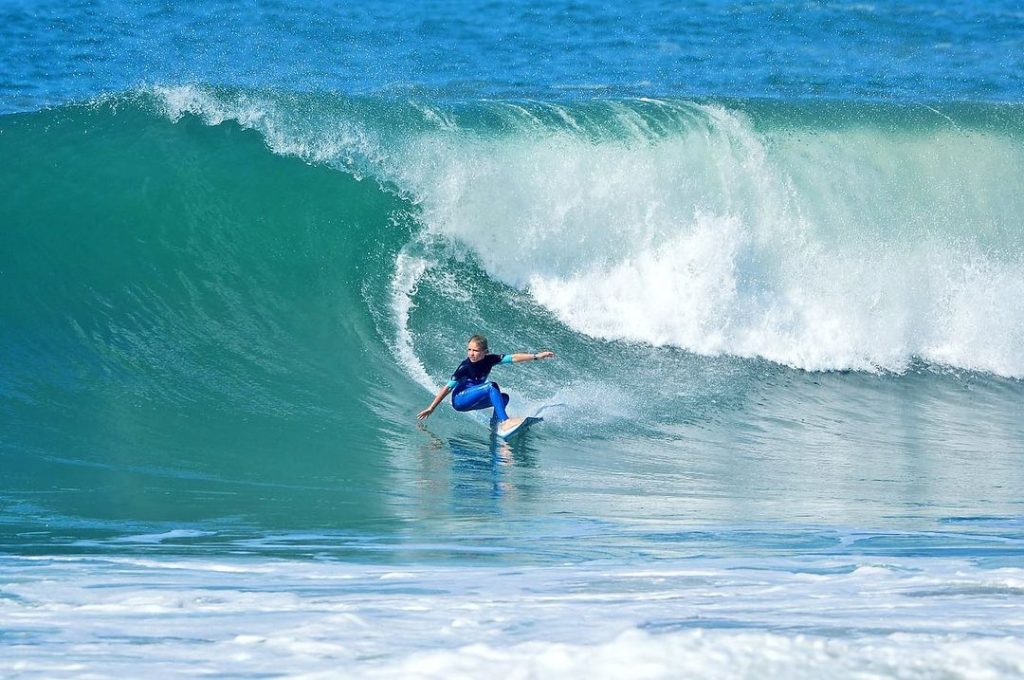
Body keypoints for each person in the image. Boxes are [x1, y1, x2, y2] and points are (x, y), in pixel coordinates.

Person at [417, 334, 555, 434]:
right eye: (469, 350)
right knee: (491, 386)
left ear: (485, 352)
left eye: (475, 350)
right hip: (460, 400)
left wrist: (536, 356)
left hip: (474, 398)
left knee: (504, 398)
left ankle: (496, 426)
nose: (471, 353)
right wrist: (431, 408)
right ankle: (505, 422)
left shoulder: (490, 360)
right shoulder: (464, 367)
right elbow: (447, 388)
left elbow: (513, 357)